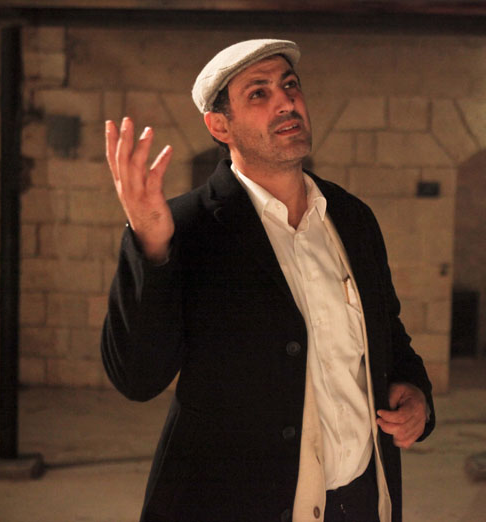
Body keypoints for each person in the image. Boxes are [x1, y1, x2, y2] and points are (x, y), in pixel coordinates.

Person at [101, 39, 435, 522]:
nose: (286, 102)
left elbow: (388, 335)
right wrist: (150, 245)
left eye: (290, 85)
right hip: (239, 504)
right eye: (258, 93)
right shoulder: (187, 228)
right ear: (220, 126)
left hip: (362, 499)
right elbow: (137, 377)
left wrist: (416, 391)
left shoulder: (352, 218)